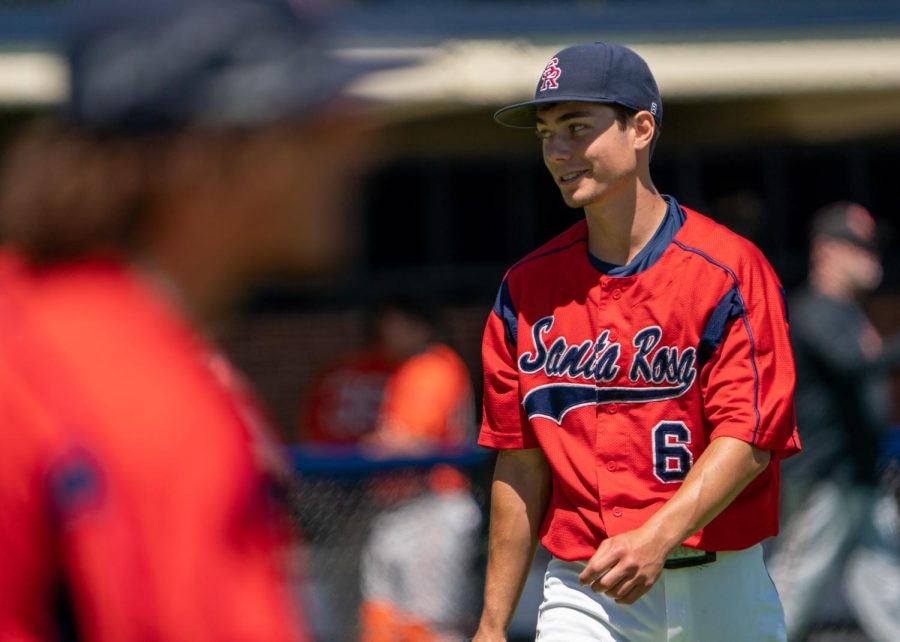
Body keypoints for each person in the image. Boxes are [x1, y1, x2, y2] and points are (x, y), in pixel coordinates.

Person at [0, 1, 384, 639]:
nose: (356, 140)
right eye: (314, 119)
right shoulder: (134, 391)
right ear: (212, 152)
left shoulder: (42, 317)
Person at [472, 42, 800, 642]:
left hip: (719, 583)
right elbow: (519, 460)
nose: (558, 151)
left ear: (641, 128)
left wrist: (657, 535)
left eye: (577, 127)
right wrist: (492, 624)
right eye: (546, 133)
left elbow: (751, 435)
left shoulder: (726, 270)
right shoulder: (526, 288)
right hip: (585, 590)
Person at [300, 297, 481, 641]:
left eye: (393, 325)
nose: (387, 335)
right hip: (403, 511)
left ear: (418, 324)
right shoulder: (414, 368)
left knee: (429, 626)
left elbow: (406, 442)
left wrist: (370, 448)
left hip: (432, 509)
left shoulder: (432, 367)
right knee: (382, 620)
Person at [767, 201, 900, 642]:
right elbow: (852, 364)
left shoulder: (849, 311)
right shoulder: (813, 309)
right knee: (793, 585)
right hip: (823, 480)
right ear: (826, 250)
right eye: (857, 246)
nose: (871, 257)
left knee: (886, 586)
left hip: (859, 476)